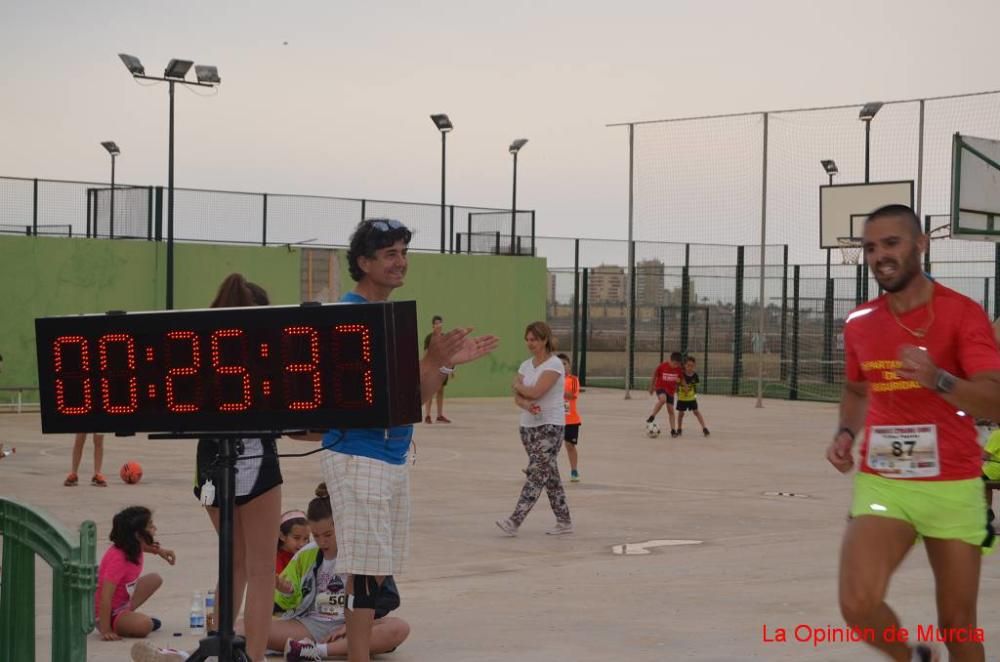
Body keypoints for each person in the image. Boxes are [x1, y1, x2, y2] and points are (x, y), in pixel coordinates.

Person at [295, 218, 497, 662]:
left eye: (404, 252)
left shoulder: (393, 316)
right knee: (364, 570)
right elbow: (364, 398)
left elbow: (409, 401)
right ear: (363, 263)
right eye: (390, 254)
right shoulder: (348, 318)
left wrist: (442, 365)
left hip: (393, 455)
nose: (401, 262)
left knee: (374, 569)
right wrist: (430, 359)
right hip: (356, 454)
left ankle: (351, 651)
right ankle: (357, 656)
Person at [825, 204, 1000, 662]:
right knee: (858, 603)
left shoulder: (963, 315)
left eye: (891, 243)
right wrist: (845, 431)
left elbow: (995, 398)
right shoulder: (860, 322)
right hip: (885, 482)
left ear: (920, 244)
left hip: (955, 485)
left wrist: (939, 379)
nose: (879, 255)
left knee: (958, 626)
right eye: (869, 247)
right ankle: (910, 658)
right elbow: (856, 389)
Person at [193, 273, 283, 662]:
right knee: (261, 568)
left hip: (209, 458)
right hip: (254, 455)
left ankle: (219, 648)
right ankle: (256, 657)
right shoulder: (262, 352)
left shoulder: (199, 347)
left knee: (232, 563)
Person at [269, 484, 409, 661]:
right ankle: (317, 647)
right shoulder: (304, 555)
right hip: (311, 626)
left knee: (399, 628)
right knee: (243, 629)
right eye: (316, 535)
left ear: (342, 526)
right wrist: (285, 590)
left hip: (352, 627)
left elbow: (390, 597)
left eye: (328, 534)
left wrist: (354, 624)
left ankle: (316, 651)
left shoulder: (362, 552)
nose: (322, 541)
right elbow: (285, 604)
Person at [497, 321, 573, 536]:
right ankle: (564, 520)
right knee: (549, 474)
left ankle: (515, 520)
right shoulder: (525, 365)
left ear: (545, 340)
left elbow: (536, 391)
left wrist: (519, 387)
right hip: (528, 427)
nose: (530, 344)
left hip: (550, 426)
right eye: (528, 339)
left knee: (537, 474)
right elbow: (520, 399)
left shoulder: (554, 364)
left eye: (534, 340)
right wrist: (525, 402)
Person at [95, 506, 175, 641]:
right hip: (108, 614)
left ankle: (129, 620)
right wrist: (105, 629)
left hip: (123, 603)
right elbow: (105, 597)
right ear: (138, 535)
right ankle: (129, 622)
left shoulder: (132, 545)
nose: (155, 528)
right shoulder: (118, 560)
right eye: (150, 526)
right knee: (145, 625)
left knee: (155, 579)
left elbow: (144, 547)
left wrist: (160, 551)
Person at [646, 351, 684, 438]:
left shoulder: (678, 369)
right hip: (660, 388)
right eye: (674, 363)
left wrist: (680, 389)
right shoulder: (662, 366)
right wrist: (651, 387)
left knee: (671, 411)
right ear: (670, 360)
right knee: (663, 400)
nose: (676, 366)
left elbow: (680, 380)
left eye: (678, 364)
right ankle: (652, 416)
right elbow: (654, 375)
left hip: (671, 391)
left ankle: (673, 431)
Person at [423, 315, 452, 424]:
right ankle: (427, 415)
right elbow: (426, 353)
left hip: (442, 369)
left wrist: (451, 369)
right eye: (436, 323)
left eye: (440, 323)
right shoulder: (429, 338)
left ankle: (439, 415)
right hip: (432, 368)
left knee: (440, 391)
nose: (438, 325)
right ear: (433, 325)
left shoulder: (444, 337)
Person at [558, 352, 582, 482]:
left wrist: (556, 388)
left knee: (570, 445)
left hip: (571, 420)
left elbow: (571, 395)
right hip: (555, 419)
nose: (562, 366)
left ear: (569, 366)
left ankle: (574, 470)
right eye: (559, 364)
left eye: (564, 364)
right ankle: (535, 468)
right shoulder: (551, 379)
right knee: (546, 445)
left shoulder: (573, 380)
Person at [676, 356, 709, 437]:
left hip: (691, 398)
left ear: (694, 366)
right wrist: (678, 394)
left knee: (696, 412)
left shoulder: (695, 376)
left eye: (692, 366)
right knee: (681, 414)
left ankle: (704, 428)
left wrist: (694, 395)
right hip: (682, 398)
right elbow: (677, 385)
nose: (690, 367)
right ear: (684, 365)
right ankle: (679, 429)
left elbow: (695, 386)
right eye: (688, 365)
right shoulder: (681, 375)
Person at [277, 510, 310, 575]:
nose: (302, 544)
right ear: (282, 536)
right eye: (296, 538)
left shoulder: (307, 556)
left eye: (306, 538)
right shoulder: (276, 560)